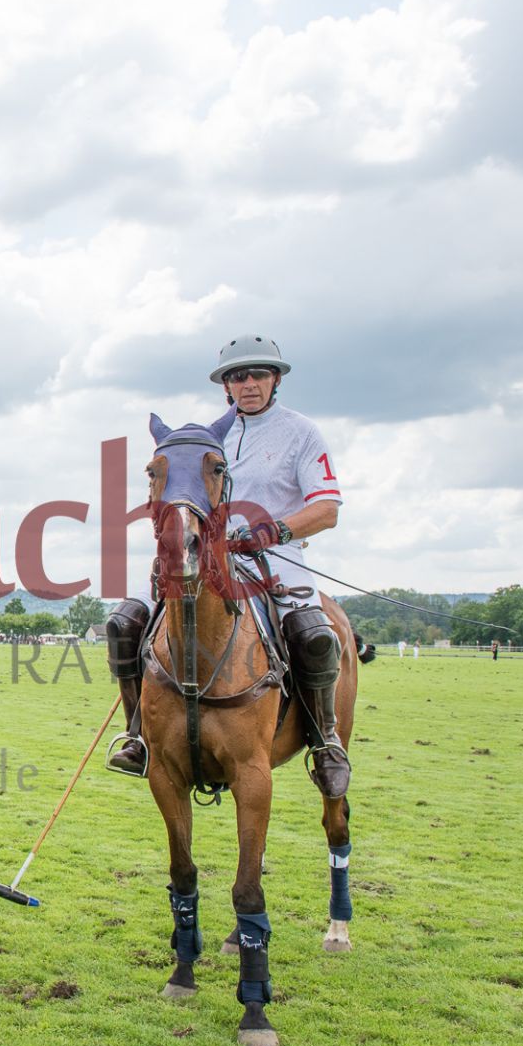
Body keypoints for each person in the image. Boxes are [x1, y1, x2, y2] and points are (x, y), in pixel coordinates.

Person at [105, 335, 351, 796]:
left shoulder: (302, 433)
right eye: (238, 376)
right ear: (226, 386)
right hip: (201, 556)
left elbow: (327, 509)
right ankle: (137, 735)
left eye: (259, 374)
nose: (249, 383)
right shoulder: (206, 437)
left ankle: (325, 741)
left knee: (315, 635)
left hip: (275, 556)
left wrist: (272, 531)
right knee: (123, 623)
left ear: (276, 380)